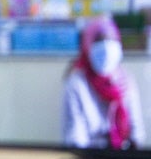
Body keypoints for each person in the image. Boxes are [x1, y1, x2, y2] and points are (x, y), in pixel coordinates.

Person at [62, 15, 145, 150]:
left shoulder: (126, 80)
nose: (106, 47)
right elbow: (75, 137)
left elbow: (137, 131)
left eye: (111, 40)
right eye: (99, 40)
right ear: (87, 46)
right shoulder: (76, 84)